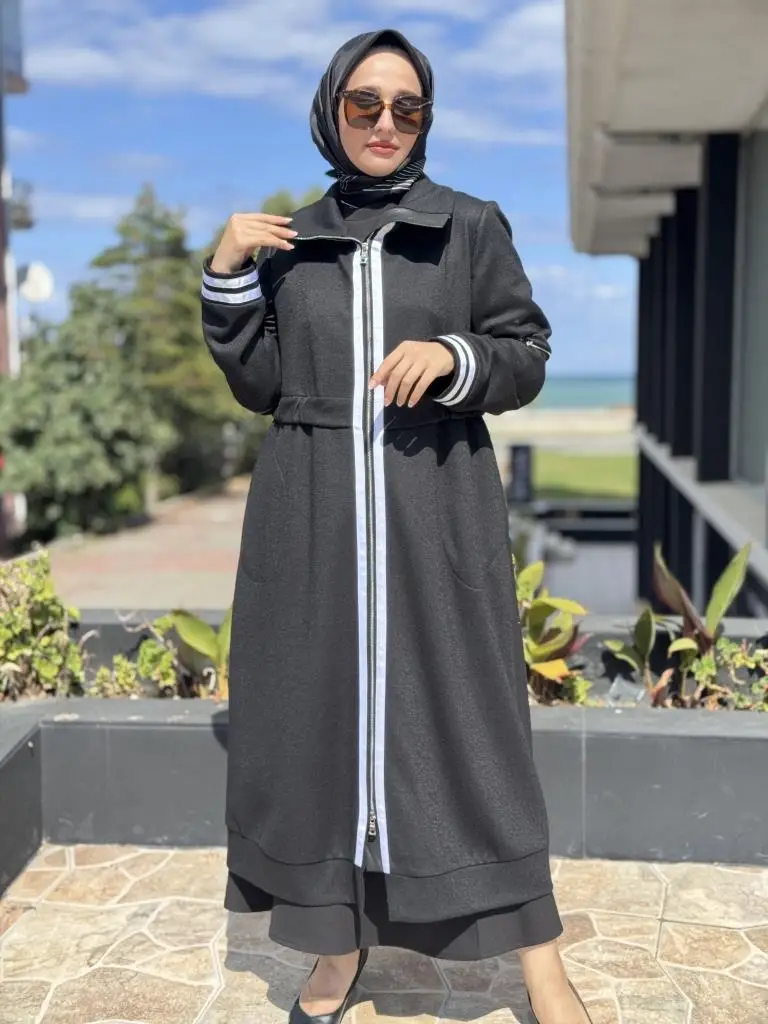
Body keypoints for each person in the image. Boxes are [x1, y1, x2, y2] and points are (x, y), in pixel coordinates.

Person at [201, 28, 591, 1024]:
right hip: (309, 524)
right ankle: (336, 950)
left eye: (407, 107)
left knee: (478, 733)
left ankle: (542, 963)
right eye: (365, 104)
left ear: (427, 118)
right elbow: (259, 382)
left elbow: (526, 351)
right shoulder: (296, 240)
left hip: (439, 516)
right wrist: (227, 271)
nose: (386, 123)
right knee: (315, 734)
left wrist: (456, 356)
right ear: (331, 110)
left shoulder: (467, 226)